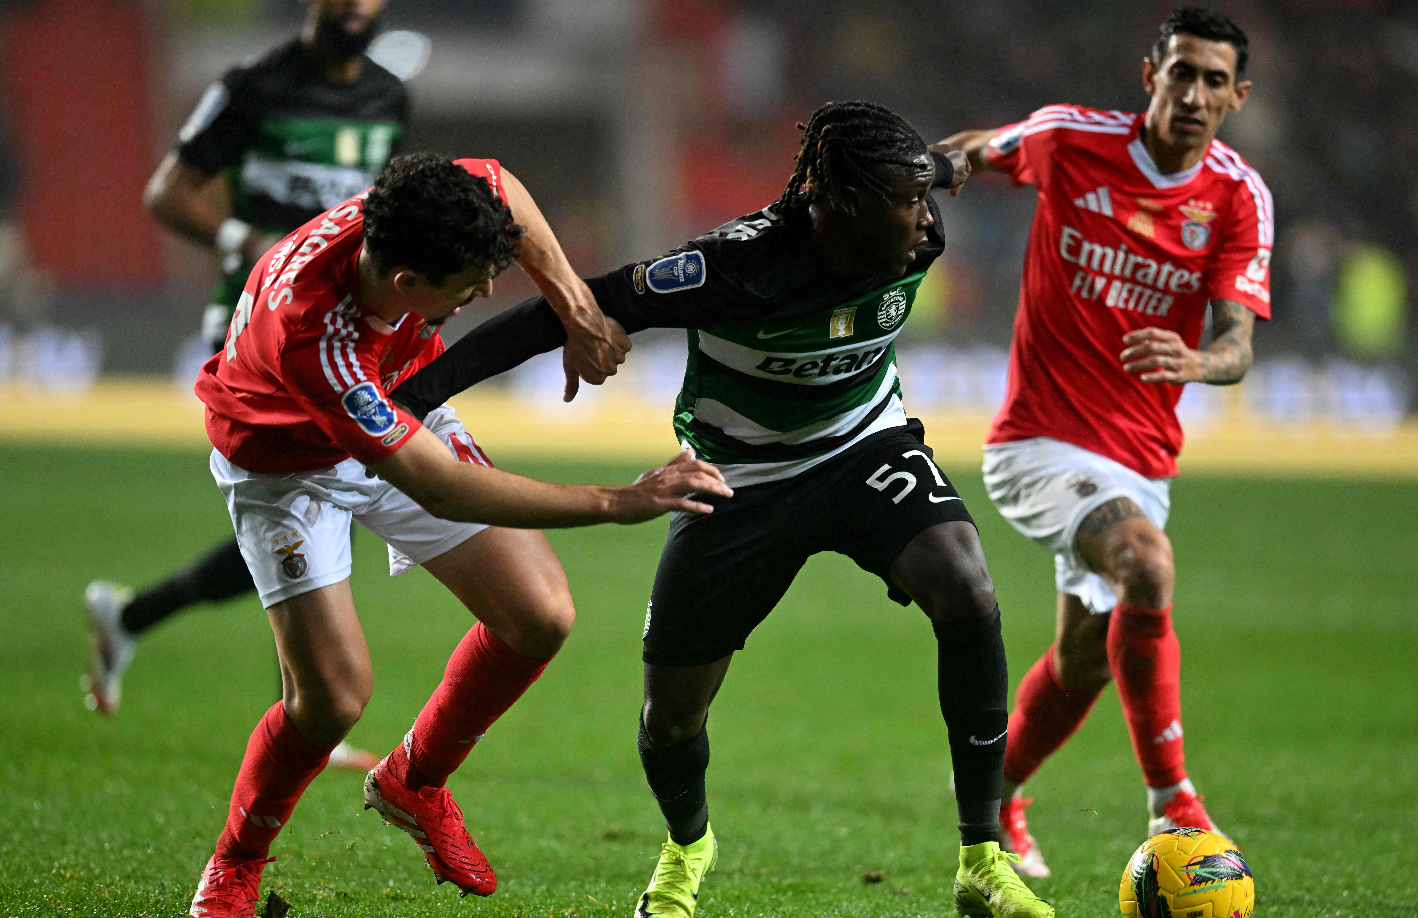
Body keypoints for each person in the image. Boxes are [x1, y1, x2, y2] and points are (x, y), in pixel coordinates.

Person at [393, 101, 1054, 918]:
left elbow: (960, 158)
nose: (924, 218)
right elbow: (570, 307)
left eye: (925, 196)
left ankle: (982, 858)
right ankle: (688, 845)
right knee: (671, 719)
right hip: (740, 481)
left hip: (863, 448)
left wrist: (992, 152)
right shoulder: (733, 268)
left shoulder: (918, 218)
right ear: (842, 203)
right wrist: (416, 396)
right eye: (906, 200)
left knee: (968, 585)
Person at [82, 0, 622, 773]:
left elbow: (451, 196)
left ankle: (166, 629)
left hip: (379, 310)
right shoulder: (251, 87)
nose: (356, 7)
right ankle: (309, 704)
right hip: (277, 330)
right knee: (306, 492)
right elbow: (167, 190)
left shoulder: (384, 95)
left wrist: (569, 301)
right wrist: (245, 240)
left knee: (337, 514)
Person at [184, 151, 722, 918]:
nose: (484, 295)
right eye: (469, 287)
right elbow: (437, 483)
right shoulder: (313, 335)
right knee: (332, 700)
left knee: (539, 614)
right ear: (407, 286)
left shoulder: (411, 214)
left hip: (398, 405)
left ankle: (415, 779)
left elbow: (501, 181)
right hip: (283, 464)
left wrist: (575, 306)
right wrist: (619, 500)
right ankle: (235, 864)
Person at [936, 7, 1271, 878]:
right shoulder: (1070, 140)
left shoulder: (1239, 198)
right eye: (1180, 73)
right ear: (1149, 73)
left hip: (1139, 457)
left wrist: (1196, 358)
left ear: (1238, 96)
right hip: (1038, 441)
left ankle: (995, 798)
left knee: (1086, 658)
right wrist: (918, 172)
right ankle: (1176, 803)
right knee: (1148, 566)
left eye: (1212, 81)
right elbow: (979, 148)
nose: (1193, 94)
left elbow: (1237, 349)